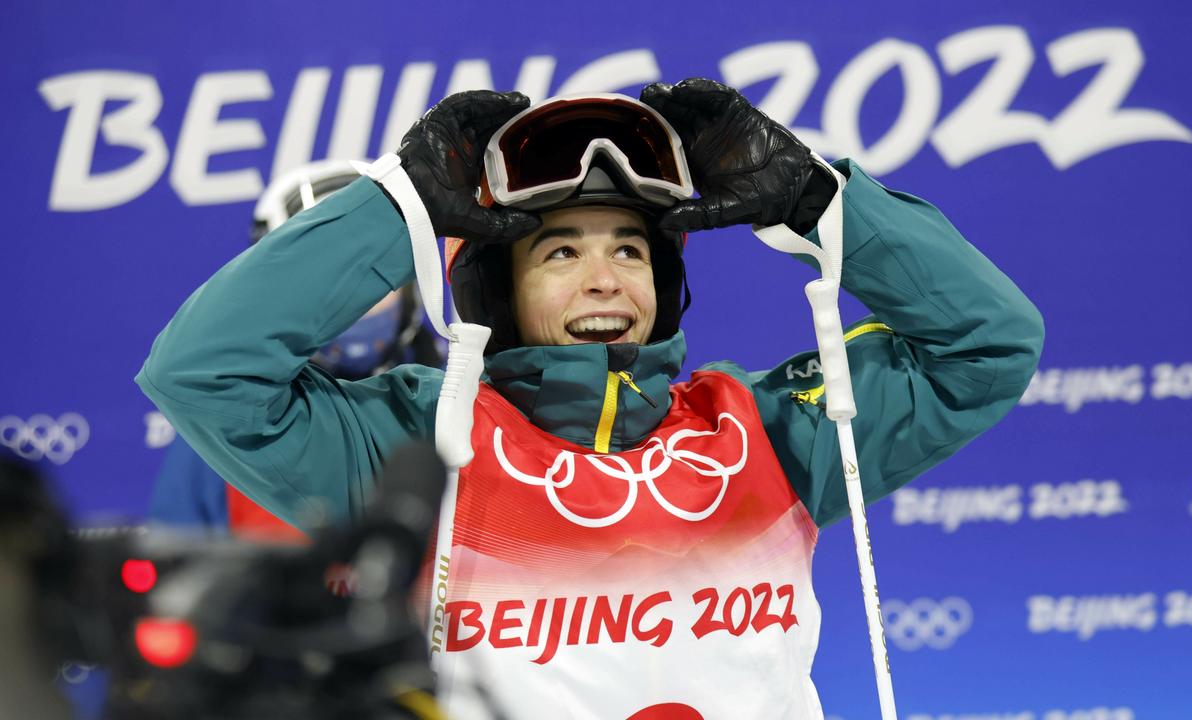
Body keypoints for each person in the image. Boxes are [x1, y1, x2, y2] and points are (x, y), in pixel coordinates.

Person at [137, 78, 1044, 718]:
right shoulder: (420, 440)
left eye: (629, 249)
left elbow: (987, 345)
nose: (604, 278)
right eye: (561, 253)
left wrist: (816, 199)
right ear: (498, 292)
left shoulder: (766, 432)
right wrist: (402, 205)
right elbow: (204, 374)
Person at [146, 160, 443, 541]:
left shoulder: (459, 400)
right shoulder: (225, 423)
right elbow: (176, 573)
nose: (354, 306)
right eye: (326, 287)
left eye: (369, 280)